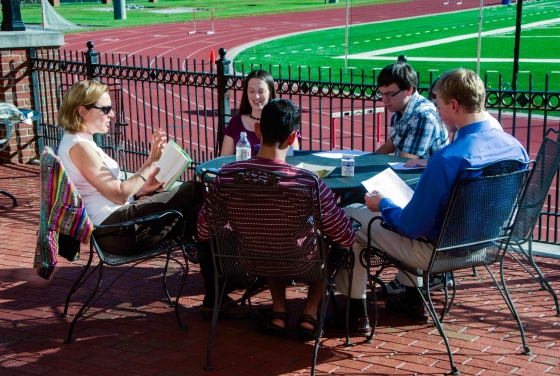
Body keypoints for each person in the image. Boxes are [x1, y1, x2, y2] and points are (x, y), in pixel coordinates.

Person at [328, 68, 529, 327]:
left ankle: (354, 312)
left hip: (439, 252)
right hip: (487, 246)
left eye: (439, 105)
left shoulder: (447, 159)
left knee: (351, 219)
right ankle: (412, 299)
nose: (438, 112)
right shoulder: (516, 147)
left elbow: (413, 227)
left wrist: (383, 205)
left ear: (454, 105)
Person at [56, 80, 249, 319]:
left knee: (200, 212)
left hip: (119, 224)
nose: (112, 114)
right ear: (82, 111)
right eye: (105, 109)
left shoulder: (81, 141)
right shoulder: (79, 146)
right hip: (115, 231)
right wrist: (150, 163)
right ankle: (245, 252)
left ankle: (216, 298)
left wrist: (144, 190)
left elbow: (115, 193)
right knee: (194, 189)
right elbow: (118, 194)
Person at [197, 98, 357, 338]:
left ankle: (279, 312)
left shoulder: (227, 176)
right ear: (293, 138)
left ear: (257, 130)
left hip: (251, 261)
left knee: (267, 235)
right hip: (303, 263)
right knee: (325, 241)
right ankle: (310, 314)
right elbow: (343, 236)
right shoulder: (308, 182)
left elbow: (203, 230)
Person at [375, 61, 449, 160]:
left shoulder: (424, 117)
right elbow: (392, 143)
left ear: (409, 90)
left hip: (421, 174)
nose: (384, 100)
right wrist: (363, 161)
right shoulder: (399, 108)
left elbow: (404, 161)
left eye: (390, 94)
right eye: (382, 94)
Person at [220, 69, 300, 156]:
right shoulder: (235, 123)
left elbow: (294, 159)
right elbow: (224, 161)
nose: (256, 96)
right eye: (251, 91)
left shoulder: (284, 121)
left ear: (270, 92)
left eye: (261, 91)